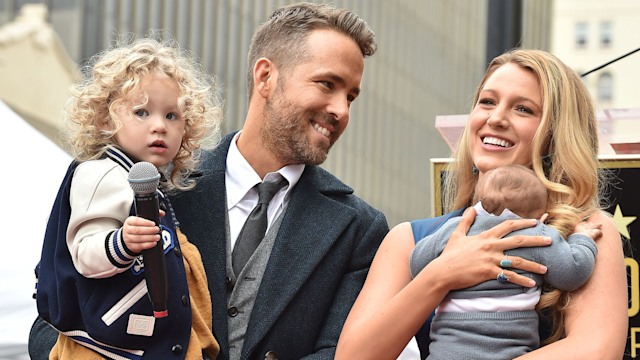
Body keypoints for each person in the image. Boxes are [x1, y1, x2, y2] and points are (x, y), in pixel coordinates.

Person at [29, 3, 388, 360]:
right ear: (265, 77)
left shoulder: (360, 229)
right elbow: (54, 316)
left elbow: (340, 353)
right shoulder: (152, 183)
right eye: (327, 84)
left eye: (351, 97)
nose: (342, 111)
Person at [336, 48, 627, 360]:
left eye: (524, 109)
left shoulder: (584, 231)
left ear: (557, 135)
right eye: (487, 102)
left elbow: (596, 350)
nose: (496, 118)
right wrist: (442, 274)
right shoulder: (410, 239)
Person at [32, 37, 223, 359]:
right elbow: (86, 252)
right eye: (141, 112)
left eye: (172, 116)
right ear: (105, 119)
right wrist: (123, 242)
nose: (159, 126)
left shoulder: (141, 180)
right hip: (103, 346)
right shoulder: (103, 174)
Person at [409, 164, 601, 359]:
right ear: (540, 216)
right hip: (508, 351)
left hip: (446, 351)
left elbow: (417, 264)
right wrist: (582, 239)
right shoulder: (537, 234)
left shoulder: (455, 230)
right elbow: (572, 272)